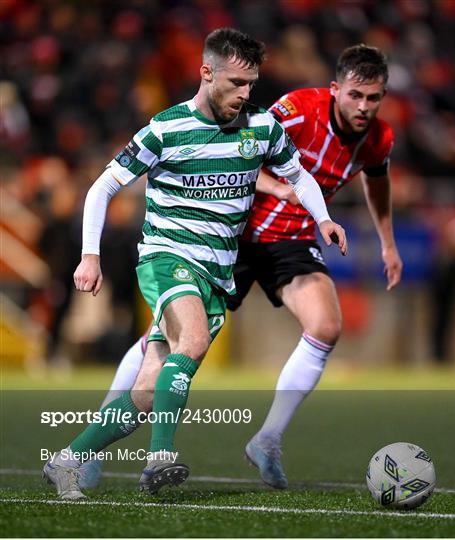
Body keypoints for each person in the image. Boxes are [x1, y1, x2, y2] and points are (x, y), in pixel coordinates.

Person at [78, 43, 402, 492]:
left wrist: (384, 242)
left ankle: (267, 439)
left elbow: (371, 184)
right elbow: (241, 146)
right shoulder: (295, 109)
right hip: (235, 233)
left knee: (326, 325)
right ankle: (101, 445)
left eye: (374, 98)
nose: (364, 107)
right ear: (335, 89)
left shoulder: (379, 139)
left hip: (289, 241)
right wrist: (275, 185)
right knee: (169, 341)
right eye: (356, 96)